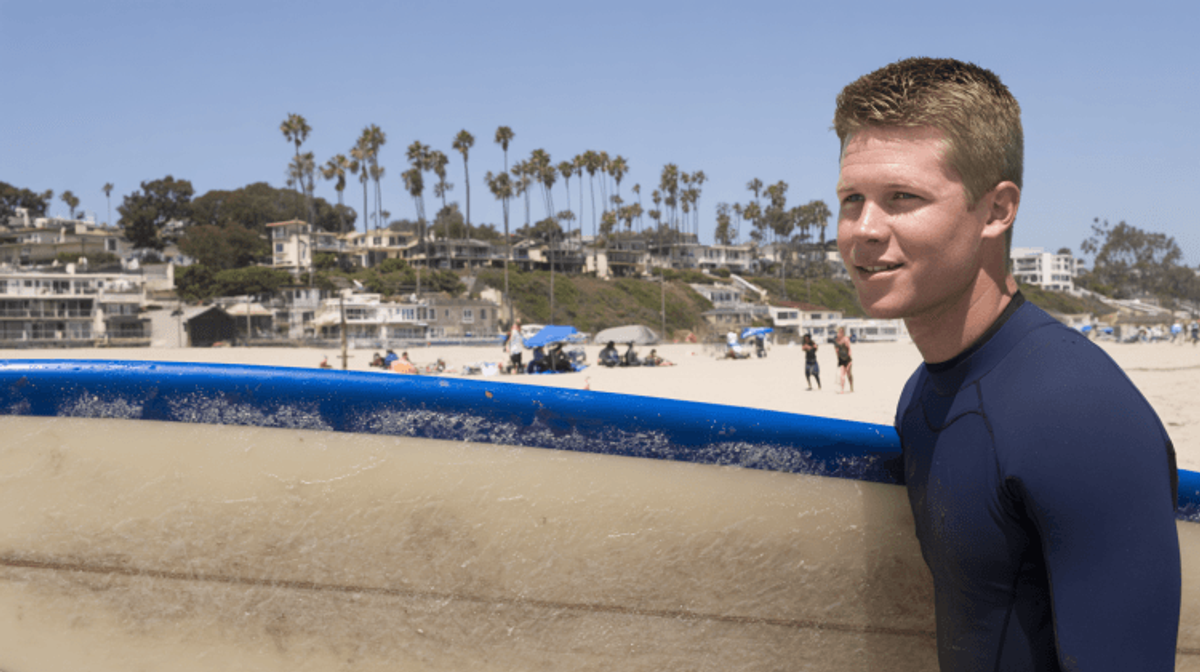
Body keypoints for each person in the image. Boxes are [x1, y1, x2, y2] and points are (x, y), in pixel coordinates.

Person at [835, 57, 1178, 669]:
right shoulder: (923, 396)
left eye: (902, 199)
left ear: (996, 211)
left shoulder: (1076, 412)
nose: (864, 229)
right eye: (851, 199)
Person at [833, 326, 853, 393]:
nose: (841, 332)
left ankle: (851, 386)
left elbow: (849, 348)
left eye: (842, 331)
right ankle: (842, 389)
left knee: (848, 374)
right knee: (842, 375)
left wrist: (849, 354)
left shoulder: (846, 339)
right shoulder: (836, 340)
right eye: (839, 331)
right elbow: (836, 351)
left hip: (848, 359)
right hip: (841, 360)